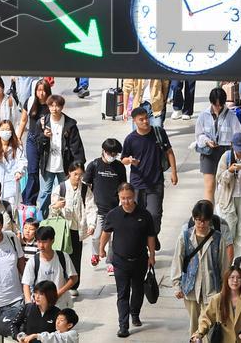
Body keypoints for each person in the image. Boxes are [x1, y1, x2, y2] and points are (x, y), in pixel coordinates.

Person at [99, 183, 157, 338]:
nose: (126, 201)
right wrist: (101, 248)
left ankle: (135, 313)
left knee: (137, 290)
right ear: (119, 197)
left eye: (129, 198)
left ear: (134, 196)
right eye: (123, 198)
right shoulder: (113, 214)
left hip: (140, 260)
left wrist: (152, 255)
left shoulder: (145, 215)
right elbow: (106, 232)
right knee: (122, 293)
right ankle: (123, 325)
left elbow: (151, 236)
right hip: (120, 262)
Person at [171, 199, 232, 334]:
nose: (201, 224)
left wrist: (225, 291)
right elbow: (177, 261)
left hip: (212, 290)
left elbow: (224, 267)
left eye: (204, 220)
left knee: (209, 327)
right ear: (194, 218)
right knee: (194, 327)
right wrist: (176, 285)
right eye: (198, 220)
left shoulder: (218, 239)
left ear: (210, 220)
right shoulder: (185, 237)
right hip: (190, 290)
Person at [121, 106, 177, 240]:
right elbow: (123, 159)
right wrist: (129, 160)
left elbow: (169, 152)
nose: (145, 121)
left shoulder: (159, 133)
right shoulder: (130, 139)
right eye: (141, 119)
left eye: (147, 118)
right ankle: (142, 241)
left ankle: (152, 235)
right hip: (137, 184)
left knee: (154, 215)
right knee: (136, 215)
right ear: (135, 121)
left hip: (155, 182)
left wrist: (174, 172)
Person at [34, 95, 85, 219]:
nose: (54, 108)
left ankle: (64, 217)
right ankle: (42, 219)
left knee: (66, 191)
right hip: (48, 164)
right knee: (45, 192)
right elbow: (37, 144)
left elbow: (76, 146)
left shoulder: (70, 124)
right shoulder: (42, 122)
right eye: (51, 105)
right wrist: (44, 137)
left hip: (65, 165)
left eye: (57, 105)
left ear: (62, 107)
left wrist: (78, 165)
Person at [48, 161, 95, 294]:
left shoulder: (85, 189)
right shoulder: (60, 188)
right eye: (75, 174)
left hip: (77, 229)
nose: (78, 178)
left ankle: (74, 285)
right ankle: (61, 283)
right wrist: (57, 206)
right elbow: (52, 209)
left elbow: (91, 208)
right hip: (63, 229)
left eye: (80, 175)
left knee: (75, 257)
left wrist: (91, 224)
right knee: (62, 256)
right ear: (69, 173)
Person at [189, 266, 241, 342]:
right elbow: (206, 319)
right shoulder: (217, 299)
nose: (235, 280)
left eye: (239, 278)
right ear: (226, 279)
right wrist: (199, 334)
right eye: (232, 277)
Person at [84, 138, 126, 273]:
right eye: (110, 153)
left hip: (114, 209)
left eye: (115, 154)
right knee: (96, 236)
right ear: (104, 151)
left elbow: (123, 186)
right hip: (99, 209)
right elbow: (86, 184)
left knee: (114, 239)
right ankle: (95, 254)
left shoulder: (119, 167)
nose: (112, 157)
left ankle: (111, 261)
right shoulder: (94, 165)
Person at [196, 87, 241, 202]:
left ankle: (221, 215)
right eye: (215, 104)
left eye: (220, 105)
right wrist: (207, 140)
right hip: (208, 152)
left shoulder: (231, 116)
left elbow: (240, 135)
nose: (218, 107)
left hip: (225, 152)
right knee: (209, 187)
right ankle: (209, 215)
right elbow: (198, 135)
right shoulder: (203, 115)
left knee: (224, 186)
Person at [22, 225, 77, 308]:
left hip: (61, 305)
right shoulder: (33, 261)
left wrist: (58, 293)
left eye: (44, 242)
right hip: (41, 307)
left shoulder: (63, 257)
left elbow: (74, 278)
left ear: (52, 241)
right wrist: (29, 304)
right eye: (38, 242)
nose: (41, 245)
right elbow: (26, 284)